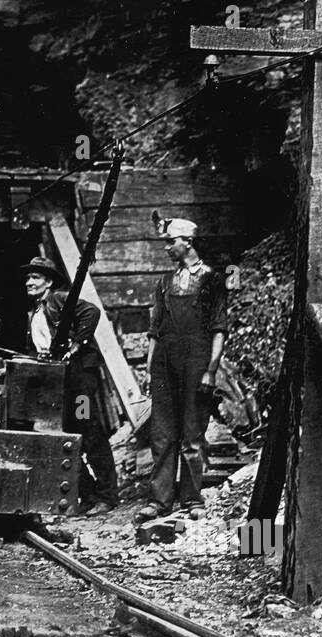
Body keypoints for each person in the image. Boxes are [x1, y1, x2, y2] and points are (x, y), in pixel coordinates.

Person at [140, 218, 228, 522]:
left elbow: (219, 329)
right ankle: (159, 500)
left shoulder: (212, 280)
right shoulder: (164, 283)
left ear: (187, 242)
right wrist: (149, 369)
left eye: (170, 241)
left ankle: (192, 499)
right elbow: (154, 330)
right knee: (162, 434)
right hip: (165, 363)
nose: (166, 247)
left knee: (192, 434)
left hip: (197, 361)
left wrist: (211, 371)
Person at [20, 256, 120, 517]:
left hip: (77, 379)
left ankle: (107, 496)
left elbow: (92, 312)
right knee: (65, 434)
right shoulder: (35, 311)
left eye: (35, 277)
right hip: (57, 382)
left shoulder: (59, 299)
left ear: (49, 282)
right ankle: (86, 494)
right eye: (28, 277)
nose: (29, 282)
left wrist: (76, 344)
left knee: (89, 431)